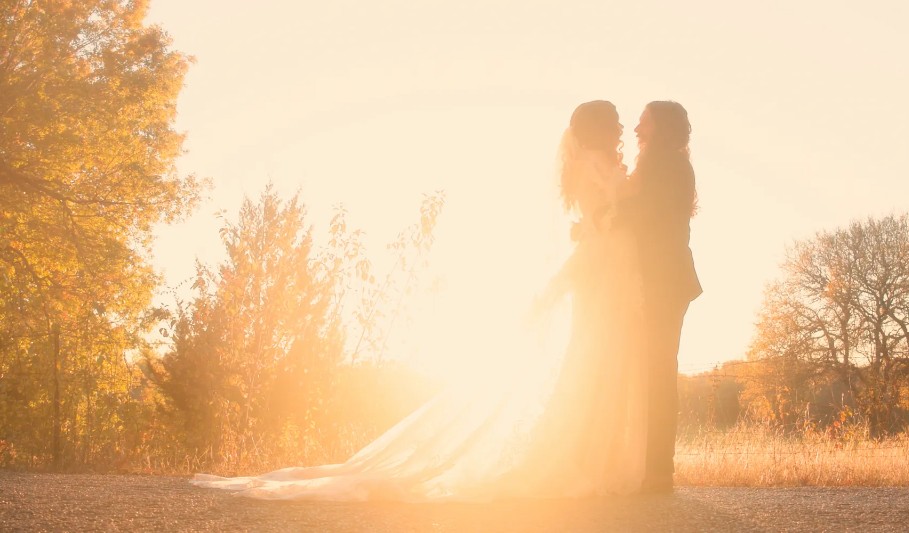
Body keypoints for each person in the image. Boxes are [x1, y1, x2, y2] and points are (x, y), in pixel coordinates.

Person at [191, 101, 651, 501]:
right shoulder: (596, 163)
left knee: (595, 362)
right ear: (596, 128)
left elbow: (594, 220)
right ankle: (587, 459)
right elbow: (607, 216)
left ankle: (590, 457)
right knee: (596, 360)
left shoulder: (590, 162)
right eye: (613, 121)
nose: (619, 128)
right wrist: (627, 201)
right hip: (602, 274)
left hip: (602, 272)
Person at [619, 101, 702, 493]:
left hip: (663, 281)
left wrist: (601, 215)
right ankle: (651, 468)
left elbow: (644, 216)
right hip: (664, 278)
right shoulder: (666, 163)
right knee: (654, 371)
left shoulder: (666, 164)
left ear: (661, 126)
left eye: (644, 120)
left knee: (658, 373)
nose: (637, 126)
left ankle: (658, 471)